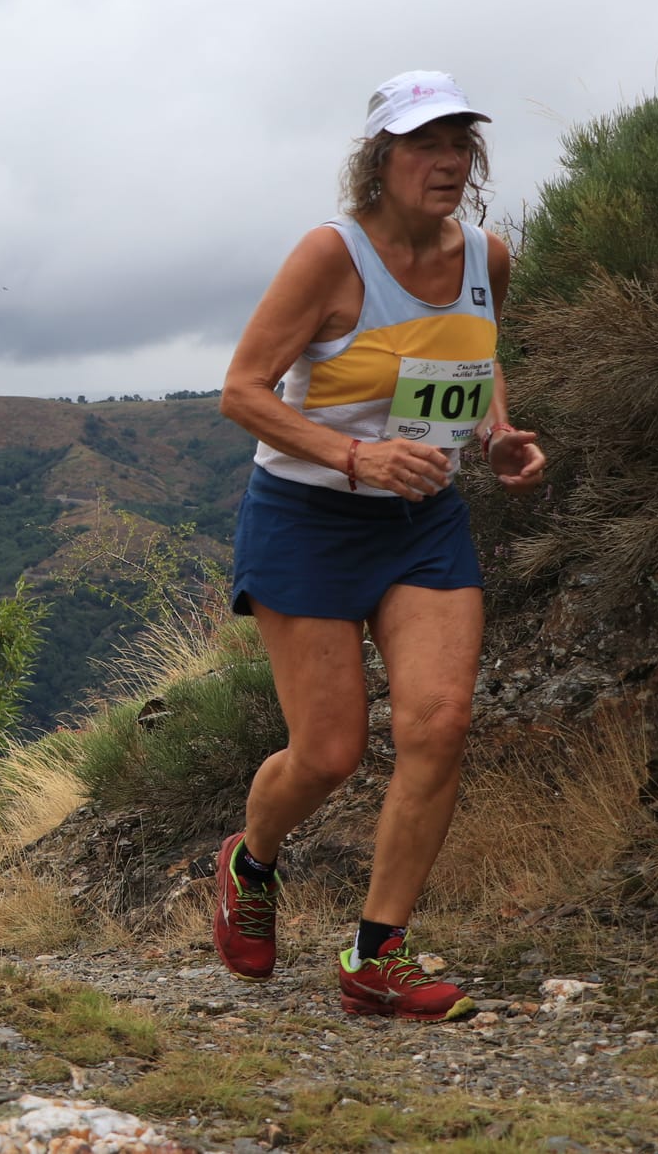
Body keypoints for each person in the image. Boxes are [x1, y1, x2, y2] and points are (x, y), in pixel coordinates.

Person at [214, 71, 546, 1021]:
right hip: (306, 518)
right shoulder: (332, 255)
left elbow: (472, 357)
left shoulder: (489, 253)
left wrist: (496, 434)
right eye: (424, 145)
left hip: (423, 519)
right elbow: (242, 390)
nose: (447, 163)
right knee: (325, 751)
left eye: (460, 146)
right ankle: (252, 857)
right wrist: (357, 456)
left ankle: (377, 957)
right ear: (380, 159)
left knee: (438, 723)